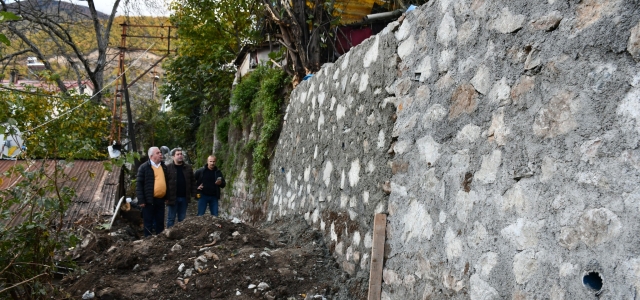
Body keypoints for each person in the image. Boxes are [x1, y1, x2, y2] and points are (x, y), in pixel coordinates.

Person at [136, 146, 170, 236]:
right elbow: (139, 185)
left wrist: (167, 196)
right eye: (158, 153)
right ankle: (148, 241)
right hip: (148, 200)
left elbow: (166, 182)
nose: (160, 154)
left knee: (160, 221)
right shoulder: (144, 167)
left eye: (160, 153)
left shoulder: (163, 166)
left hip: (160, 199)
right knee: (148, 222)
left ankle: (160, 241)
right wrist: (141, 200)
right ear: (151, 156)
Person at [165, 148, 196, 227]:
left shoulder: (188, 168)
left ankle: (180, 235)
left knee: (182, 218)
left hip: (184, 197)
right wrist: (166, 196)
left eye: (181, 154)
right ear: (173, 157)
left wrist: (194, 193)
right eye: (178, 154)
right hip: (172, 197)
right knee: (171, 218)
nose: (180, 156)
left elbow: (192, 181)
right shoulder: (168, 168)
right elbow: (165, 183)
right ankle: (169, 234)